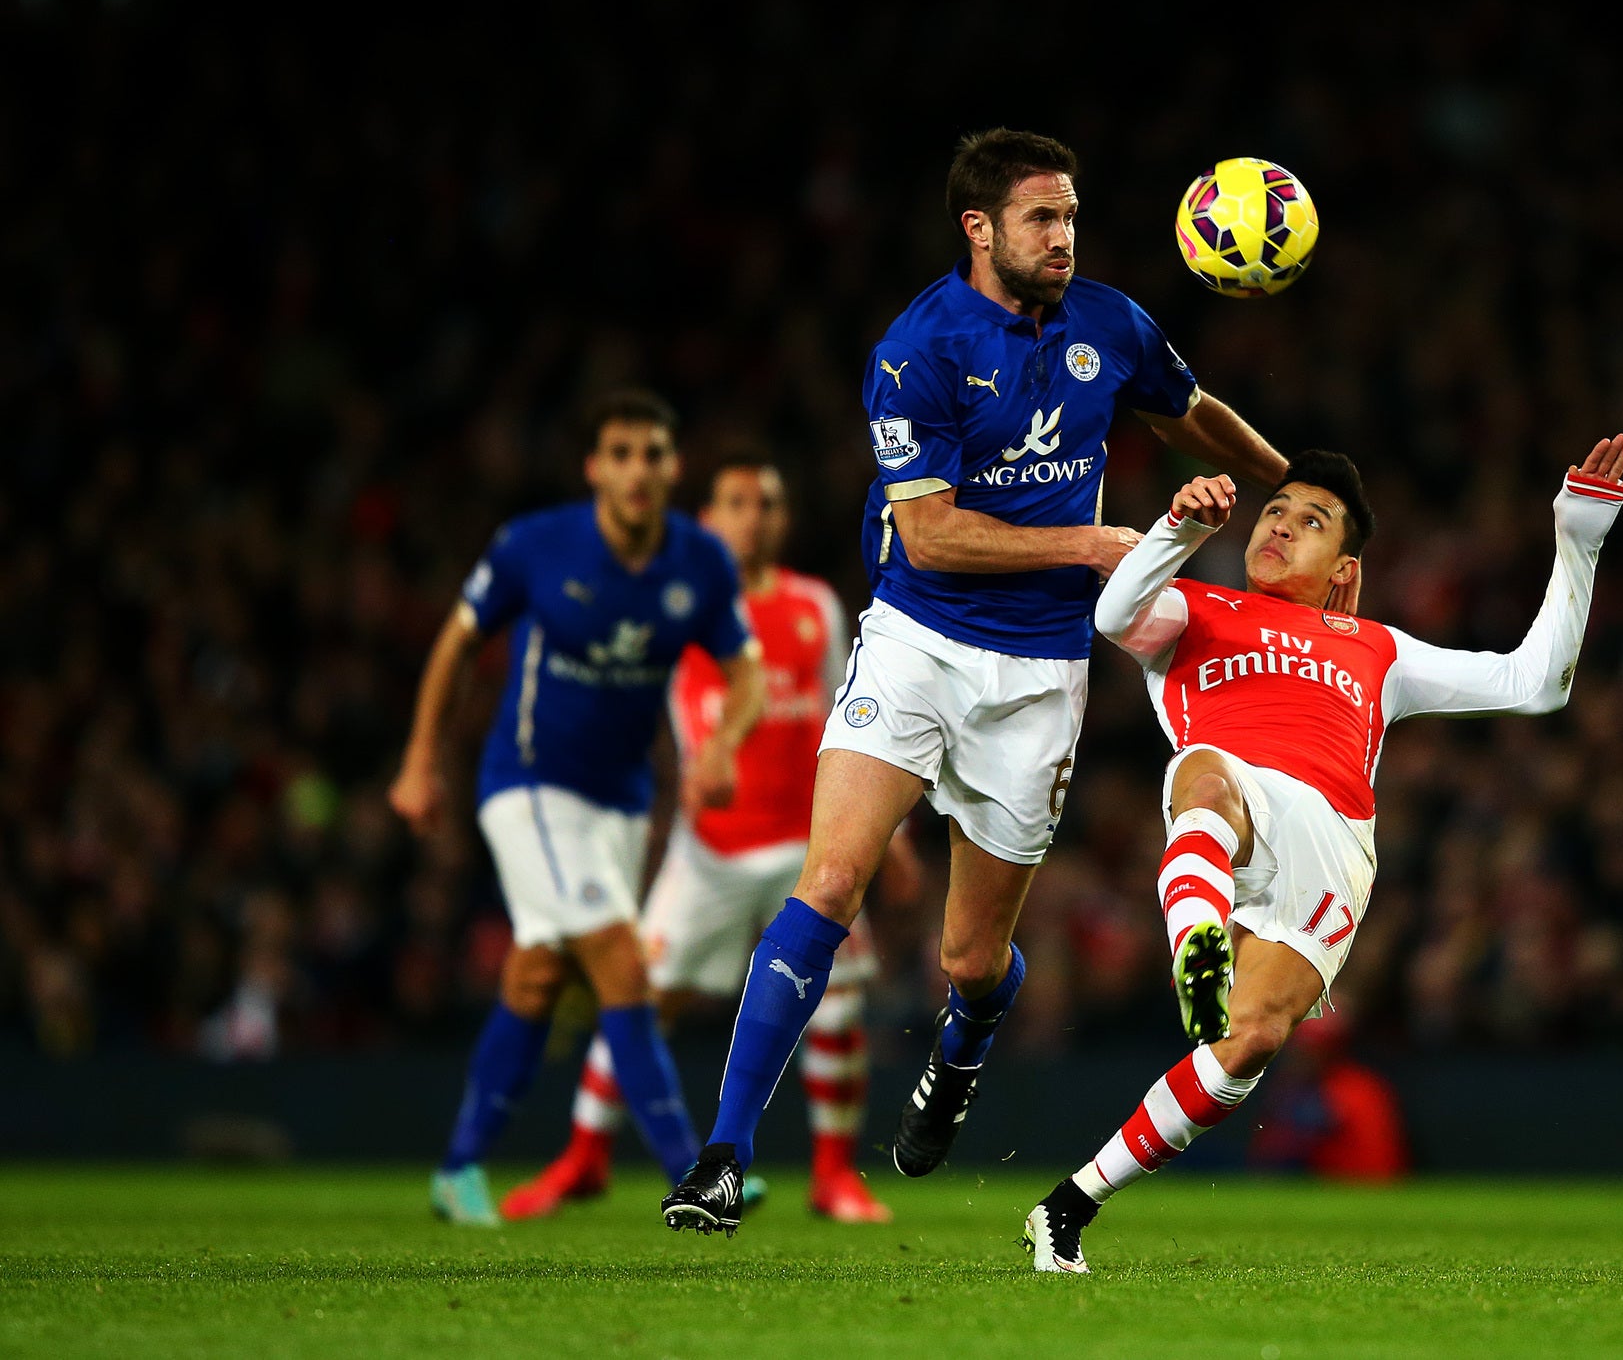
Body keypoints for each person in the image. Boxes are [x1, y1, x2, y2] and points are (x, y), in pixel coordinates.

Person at [661, 127, 1290, 1237]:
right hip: (917, 635)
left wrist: (1294, 481)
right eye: (1042, 219)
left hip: (1040, 675)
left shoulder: (1107, 320)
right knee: (830, 883)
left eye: (1071, 216)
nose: (1063, 237)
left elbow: (1182, 411)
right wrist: (1096, 547)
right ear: (978, 229)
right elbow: (934, 536)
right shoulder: (917, 349)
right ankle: (721, 1156)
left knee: (969, 955)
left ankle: (962, 1048)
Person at [1023, 435, 1623, 1272]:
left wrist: (1579, 537)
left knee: (1247, 1045)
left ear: (1344, 569)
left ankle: (1067, 1206)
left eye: (1309, 521)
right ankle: (1196, 950)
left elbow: (1537, 682)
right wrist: (1176, 528)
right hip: (1233, 789)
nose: (1279, 526)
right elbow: (1111, 614)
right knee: (1203, 779)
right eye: (1274, 510)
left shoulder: (1382, 650)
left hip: (1335, 844)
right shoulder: (1194, 609)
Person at [500, 456, 911, 1225]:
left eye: (768, 502)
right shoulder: (672, 602)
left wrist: (902, 838)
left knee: (839, 1003)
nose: (754, 515)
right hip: (709, 849)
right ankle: (584, 1156)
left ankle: (832, 1177)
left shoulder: (815, 606)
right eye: (737, 502)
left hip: (805, 846)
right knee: (639, 997)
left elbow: (854, 716)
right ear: (710, 517)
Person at [390, 388, 765, 1227]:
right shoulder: (535, 545)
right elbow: (458, 639)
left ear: (673, 468)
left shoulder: (699, 561)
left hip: (620, 802)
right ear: (595, 467)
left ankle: (458, 1168)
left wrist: (723, 741)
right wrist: (421, 759)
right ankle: (694, 1169)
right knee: (619, 961)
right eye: (621, 453)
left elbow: (746, 670)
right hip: (527, 786)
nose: (638, 471)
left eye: (653, 454)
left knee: (536, 972)